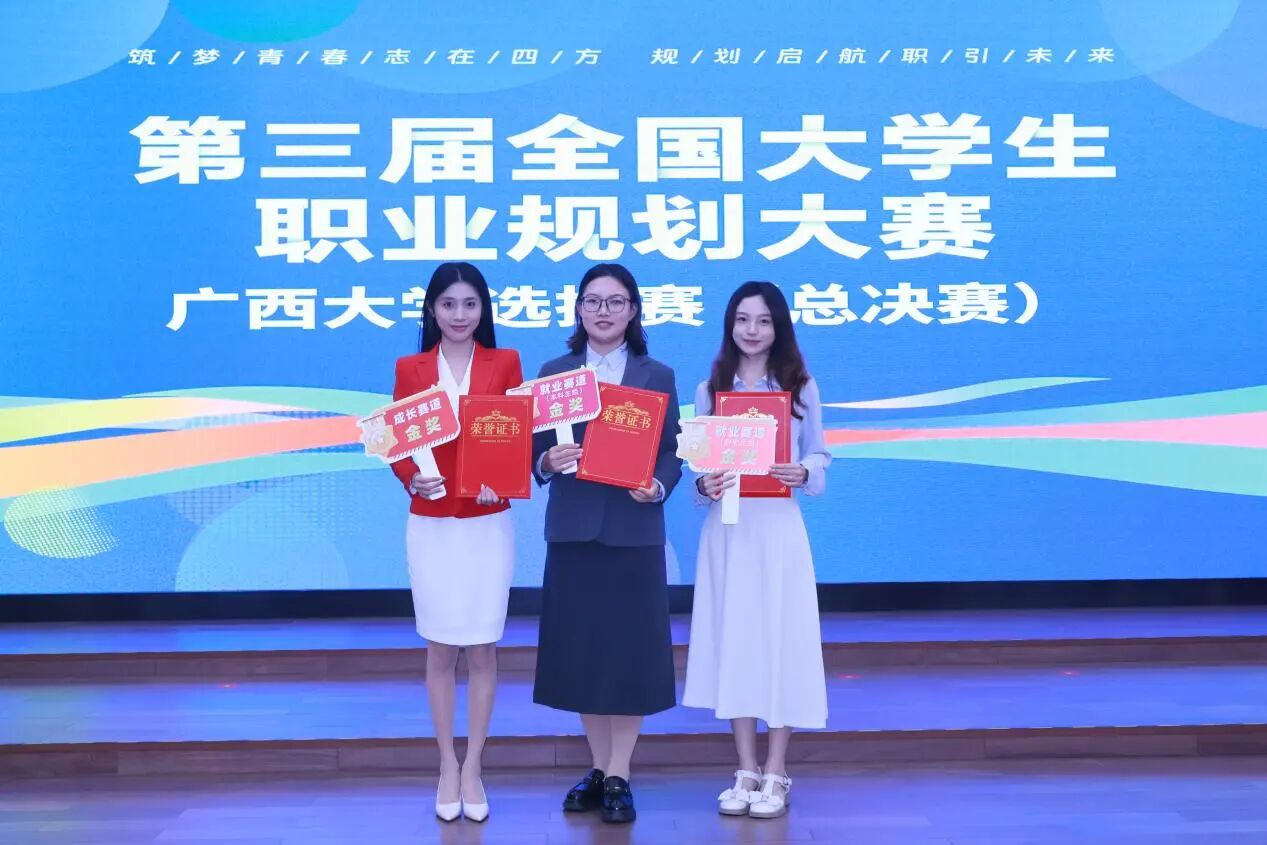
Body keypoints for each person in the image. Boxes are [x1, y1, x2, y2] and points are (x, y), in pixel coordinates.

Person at [531, 262, 683, 825]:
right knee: (584, 655)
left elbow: (672, 451)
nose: (603, 311)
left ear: (633, 310)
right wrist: (546, 462)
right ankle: (598, 767)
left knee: (629, 654)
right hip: (574, 530)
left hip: (633, 531)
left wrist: (658, 485)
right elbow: (533, 450)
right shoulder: (555, 373)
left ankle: (619, 772)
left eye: (615, 301)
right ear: (578, 309)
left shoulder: (657, 374)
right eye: (592, 301)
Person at [681, 281, 831, 819]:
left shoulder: (800, 387)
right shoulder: (710, 389)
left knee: (781, 641)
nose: (752, 330)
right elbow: (697, 470)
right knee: (736, 641)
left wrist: (803, 472)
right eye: (742, 319)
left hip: (778, 528)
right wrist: (704, 484)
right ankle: (745, 768)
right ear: (730, 325)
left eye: (763, 320)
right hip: (728, 529)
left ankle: (776, 769)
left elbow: (819, 455)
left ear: (778, 327)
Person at [388, 262, 524, 823]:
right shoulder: (411, 367)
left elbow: (515, 432)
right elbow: (399, 441)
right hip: (432, 523)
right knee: (441, 649)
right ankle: (447, 763)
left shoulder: (505, 361)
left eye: (470, 304)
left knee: (484, 649)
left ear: (483, 309)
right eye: (449, 304)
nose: (460, 315)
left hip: (487, 523)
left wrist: (505, 477)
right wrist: (410, 478)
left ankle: (474, 767)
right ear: (432, 310)